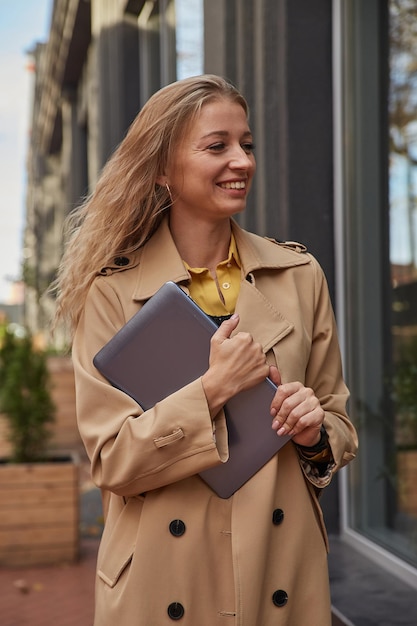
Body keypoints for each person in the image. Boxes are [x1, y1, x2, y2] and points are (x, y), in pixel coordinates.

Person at [54, 74, 358, 626]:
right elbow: (111, 461)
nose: (241, 160)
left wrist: (315, 434)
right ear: (163, 170)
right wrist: (211, 391)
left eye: (247, 144)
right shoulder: (111, 291)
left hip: (279, 569)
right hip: (162, 577)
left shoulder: (299, 275)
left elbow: (336, 421)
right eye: (217, 146)